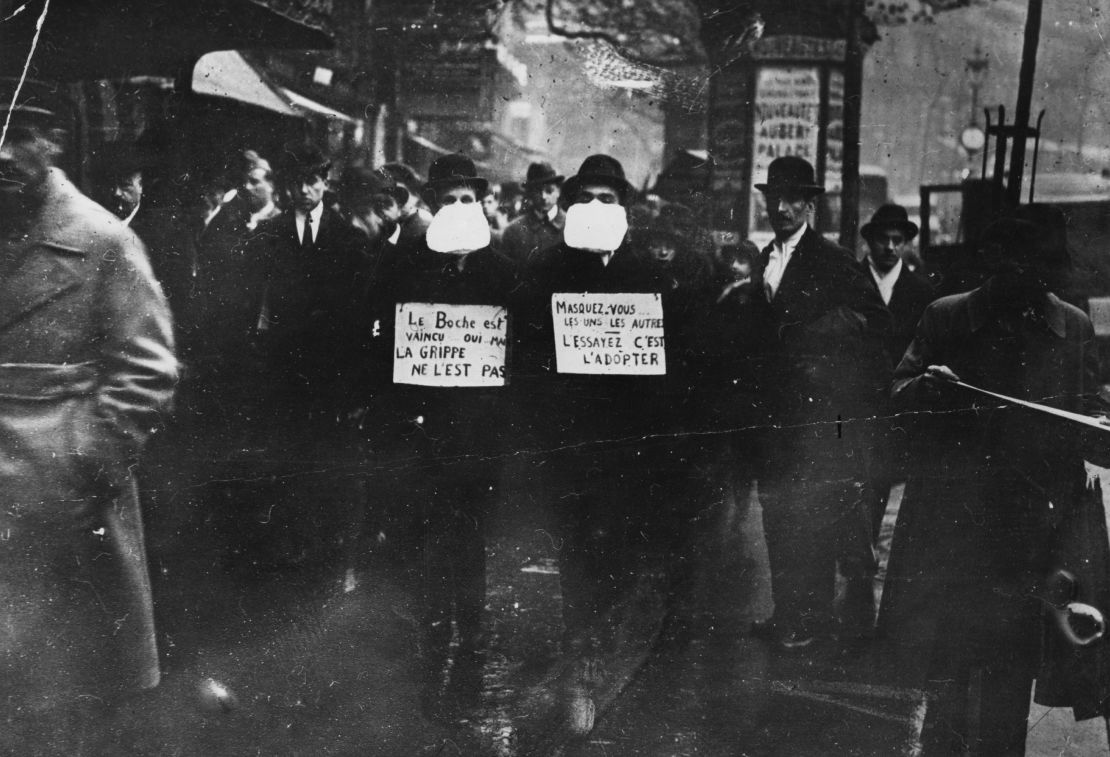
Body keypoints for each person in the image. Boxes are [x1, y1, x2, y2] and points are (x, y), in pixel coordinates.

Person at [877, 217, 1109, 755]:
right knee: (948, 670)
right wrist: (930, 389)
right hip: (955, 526)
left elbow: (1091, 409)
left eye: (1038, 273)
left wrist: (1100, 428)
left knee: (1011, 675)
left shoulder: (1071, 327)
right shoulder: (948, 316)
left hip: (1032, 532)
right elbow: (898, 391)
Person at [0, 81, 177, 746]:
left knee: (56, 698)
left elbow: (147, 371)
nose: (2, 151)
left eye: (20, 135)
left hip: (61, 499)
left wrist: (82, 462)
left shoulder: (102, 241)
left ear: (54, 143)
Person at [364, 153, 518, 713]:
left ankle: (472, 631)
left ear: (480, 205)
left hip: (478, 432)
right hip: (421, 429)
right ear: (432, 205)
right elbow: (380, 347)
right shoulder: (404, 266)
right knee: (426, 535)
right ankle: (431, 638)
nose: (458, 208)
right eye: (448, 200)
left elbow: (517, 357)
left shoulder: (502, 273)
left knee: (471, 536)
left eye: (467, 200)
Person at [522, 154, 672, 729]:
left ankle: (603, 645)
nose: (596, 208)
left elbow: (672, 369)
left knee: (623, 556)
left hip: (631, 450)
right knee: (578, 554)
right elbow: (528, 361)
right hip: (569, 446)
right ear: (569, 206)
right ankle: (582, 660)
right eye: (586, 198)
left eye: (608, 199)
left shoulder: (651, 277)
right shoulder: (544, 272)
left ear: (624, 208)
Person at [748, 156, 891, 650]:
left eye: (792, 200)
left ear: (810, 205)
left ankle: (807, 620)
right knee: (775, 511)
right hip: (771, 414)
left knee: (808, 516)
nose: (781, 208)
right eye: (774, 198)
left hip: (812, 413)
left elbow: (870, 320)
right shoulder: (763, 258)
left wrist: (809, 339)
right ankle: (787, 611)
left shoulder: (832, 260)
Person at [243, 142, 369, 570]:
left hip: (332, 370)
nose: (305, 189)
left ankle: (327, 543)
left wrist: (353, 383)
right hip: (285, 368)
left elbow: (357, 315)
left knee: (329, 455)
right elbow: (256, 307)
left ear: (325, 183)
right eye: (297, 181)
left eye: (313, 180)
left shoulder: (349, 238)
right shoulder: (269, 236)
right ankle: (292, 539)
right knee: (288, 452)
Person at [857, 204, 936, 539]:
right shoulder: (850, 282)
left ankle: (864, 554)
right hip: (855, 400)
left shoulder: (921, 291)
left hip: (896, 406)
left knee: (882, 481)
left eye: (897, 240)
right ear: (870, 242)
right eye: (883, 240)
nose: (890, 247)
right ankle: (855, 553)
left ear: (906, 244)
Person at [500, 161, 565, 265]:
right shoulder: (513, 231)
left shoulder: (571, 227)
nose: (544, 197)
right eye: (538, 191)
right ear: (530, 193)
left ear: (558, 191)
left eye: (549, 191)